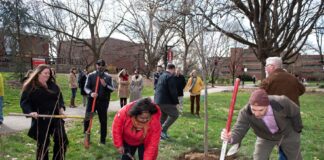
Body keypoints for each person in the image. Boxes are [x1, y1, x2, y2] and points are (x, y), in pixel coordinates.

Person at [220, 89, 303, 160]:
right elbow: (239, 128)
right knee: (259, 157)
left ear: (268, 105)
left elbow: (295, 111)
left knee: (295, 157)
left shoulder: (281, 102)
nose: (257, 114)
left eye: (261, 110)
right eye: (254, 110)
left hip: (287, 134)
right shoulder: (246, 112)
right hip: (265, 136)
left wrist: (297, 128)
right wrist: (230, 137)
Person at [20, 64, 68, 160]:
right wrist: (30, 112)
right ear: (38, 73)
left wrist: (61, 109)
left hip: (56, 118)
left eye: (49, 73)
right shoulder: (30, 86)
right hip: (41, 119)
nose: (48, 75)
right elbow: (24, 102)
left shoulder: (53, 86)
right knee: (43, 144)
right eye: (45, 73)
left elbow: (60, 100)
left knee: (62, 140)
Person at [260, 57, 305, 159]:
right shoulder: (292, 78)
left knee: (265, 146)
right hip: (293, 118)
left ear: (272, 66)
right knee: (289, 147)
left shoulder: (269, 80)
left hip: (275, 118)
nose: (265, 68)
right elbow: (302, 89)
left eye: (266, 66)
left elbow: (259, 96)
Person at [84, 59, 115, 144]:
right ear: (96, 65)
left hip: (103, 102)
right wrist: (91, 93)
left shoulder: (108, 77)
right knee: (88, 119)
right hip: (92, 101)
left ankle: (102, 140)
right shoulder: (90, 75)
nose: (100, 66)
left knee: (103, 121)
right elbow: (86, 87)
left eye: (102, 65)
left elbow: (112, 88)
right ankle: (86, 137)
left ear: (104, 66)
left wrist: (105, 85)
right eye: (98, 65)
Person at [154, 63, 179, 139]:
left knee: (163, 117)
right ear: (173, 69)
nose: (174, 72)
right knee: (175, 114)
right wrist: (176, 102)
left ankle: (157, 133)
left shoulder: (161, 76)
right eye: (174, 70)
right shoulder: (170, 77)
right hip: (166, 101)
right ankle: (163, 130)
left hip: (158, 100)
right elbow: (173, 91)